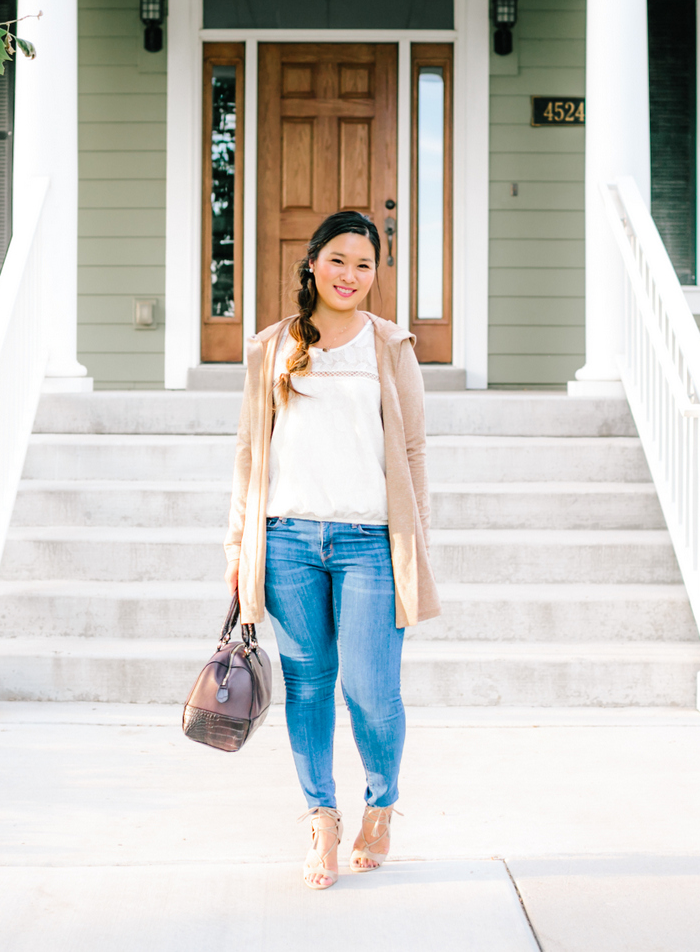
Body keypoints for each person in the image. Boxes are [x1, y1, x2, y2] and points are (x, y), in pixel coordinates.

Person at [224, 209, 439, 890]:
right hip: (287, 541)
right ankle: (321, 815)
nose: (350, 274)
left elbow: (411, 452)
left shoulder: (391, 346)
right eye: (338, 259)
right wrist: (238, 546)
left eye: (365, 264)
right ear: (313, 262)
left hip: (370, 541)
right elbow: (248, 454)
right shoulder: (272, 347)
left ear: (377, 275)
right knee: (308, 687)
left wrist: (417, 545)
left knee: (370, 690)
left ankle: (381, 800)